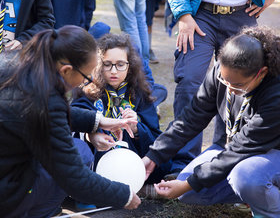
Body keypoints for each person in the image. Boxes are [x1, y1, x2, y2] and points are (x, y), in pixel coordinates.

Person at [0, 25, 141, 217]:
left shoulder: (16, 63)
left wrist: (97, 120)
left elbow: (45, 113)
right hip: (7, 188)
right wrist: (124, 194)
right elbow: (73, 177)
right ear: (66, 70)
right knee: (81, 153)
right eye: (86, 76)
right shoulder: (47, 100)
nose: (90, 80)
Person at [143, 26, 280, 217]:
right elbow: (191, 118)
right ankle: (254, 195)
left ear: (262, 73)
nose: (230, 89)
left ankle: (268, 205)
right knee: (189, 192)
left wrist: (190, 183)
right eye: (226, 81)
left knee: (246, 177)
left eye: (238, 85)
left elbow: (242, 148)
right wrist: (153, 156)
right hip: (236, 148)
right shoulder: (221, 72)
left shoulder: (275, 94)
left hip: (271, 153)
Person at [164, 0, 279, 179]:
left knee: (240, 82)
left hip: (242, 13)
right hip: (199, 14)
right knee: (189, 80)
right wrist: (183, 14)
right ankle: (182, 162)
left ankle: (226, 155)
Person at [72, 33, 171, 183]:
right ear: (98, 64)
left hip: (131, 156)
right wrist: (91, 135)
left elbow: (155, 136)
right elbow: (73, 122)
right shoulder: (88, 90)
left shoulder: (140, 94)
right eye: (107, 64)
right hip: (98, 155)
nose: (113, 71)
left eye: (120, 64)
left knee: (165, 159)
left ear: (129, 66)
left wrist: (137, 129)